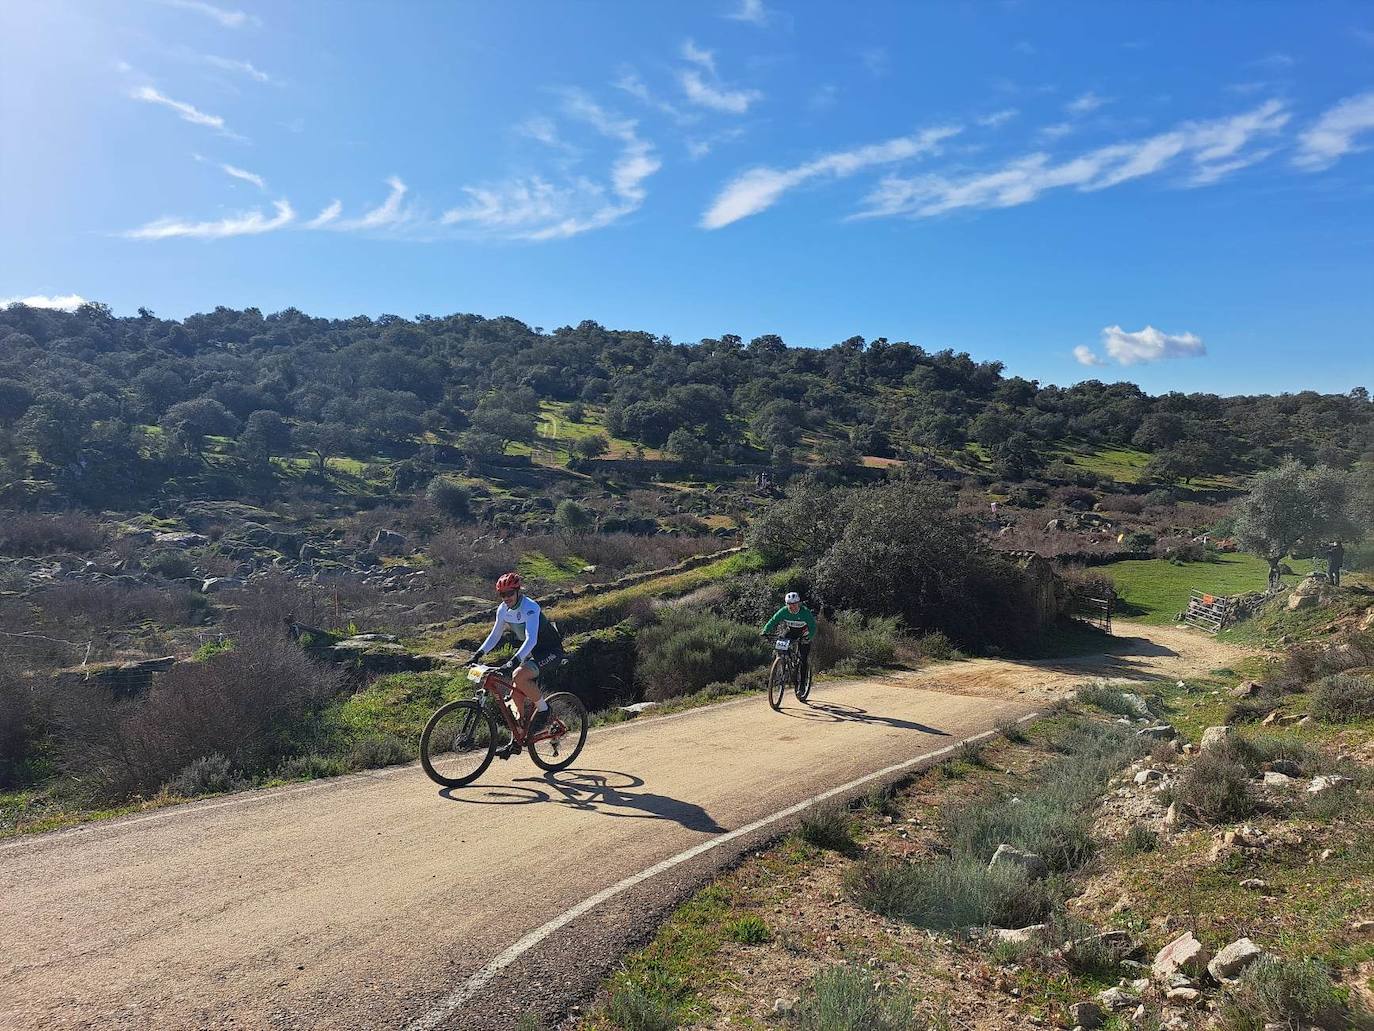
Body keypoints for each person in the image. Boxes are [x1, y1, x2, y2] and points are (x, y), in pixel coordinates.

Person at [467, 572, 564, 736]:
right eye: (502, 594)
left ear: (518, 591)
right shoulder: (503, 609)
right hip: (531, 652)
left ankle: (544, 710)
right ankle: (519, 735)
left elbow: (531, 639)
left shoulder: (531, 607)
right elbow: (495, 634)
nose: (506, 598)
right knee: (514, 695)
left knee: (518, 675)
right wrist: (478, 654)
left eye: (510, 593)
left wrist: (514, 661)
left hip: (550, 651)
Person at [761, 591, 817, 690]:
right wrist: (765, 631)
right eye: (790, 605)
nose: (792, 607)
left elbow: (812, 627)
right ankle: (783, 664)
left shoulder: (805, 612)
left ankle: (802, 685)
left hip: (804, 633)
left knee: (803, 658)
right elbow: (773, 620)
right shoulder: (783, 611)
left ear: (799, 603)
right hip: (791, 631)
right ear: (786, 605)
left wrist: (809, 637)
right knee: (781, 646)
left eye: (795, 604)